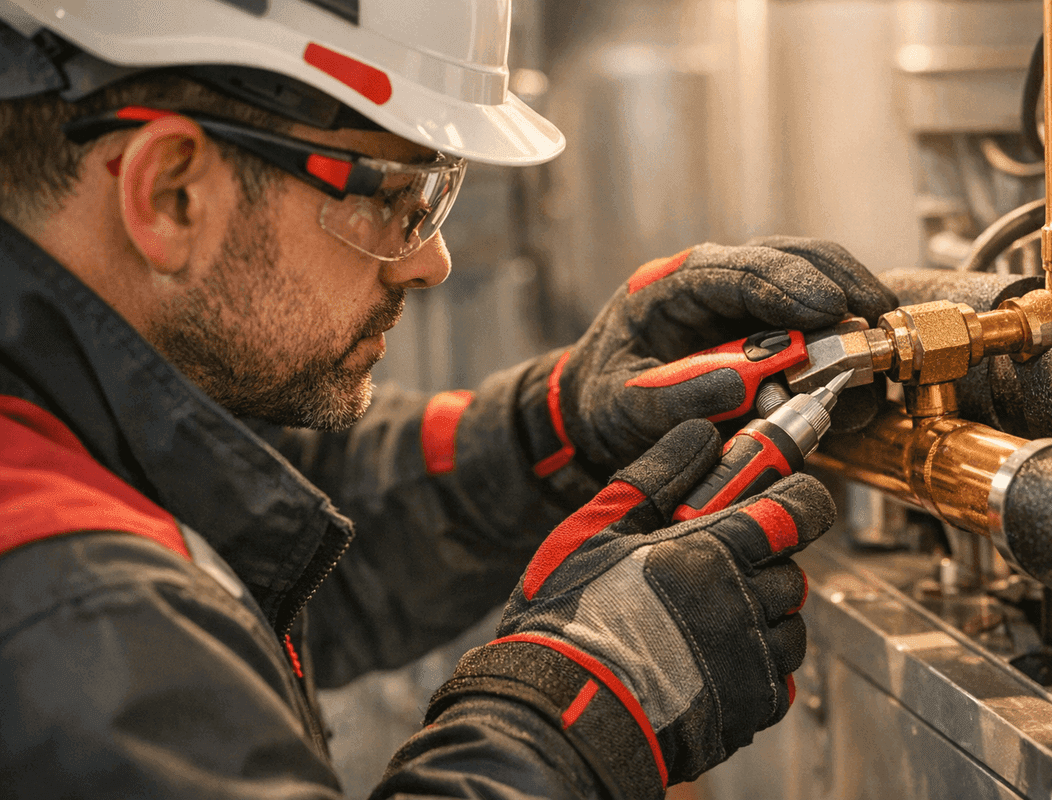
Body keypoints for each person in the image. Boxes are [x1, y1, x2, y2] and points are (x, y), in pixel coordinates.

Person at [0, 1, 897, 797]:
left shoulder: (72, 420)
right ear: (172, 191)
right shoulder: (72, 616)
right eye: (399, 196)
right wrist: (567, 725)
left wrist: (560, 428)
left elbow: (273, 535)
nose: (431, 262)